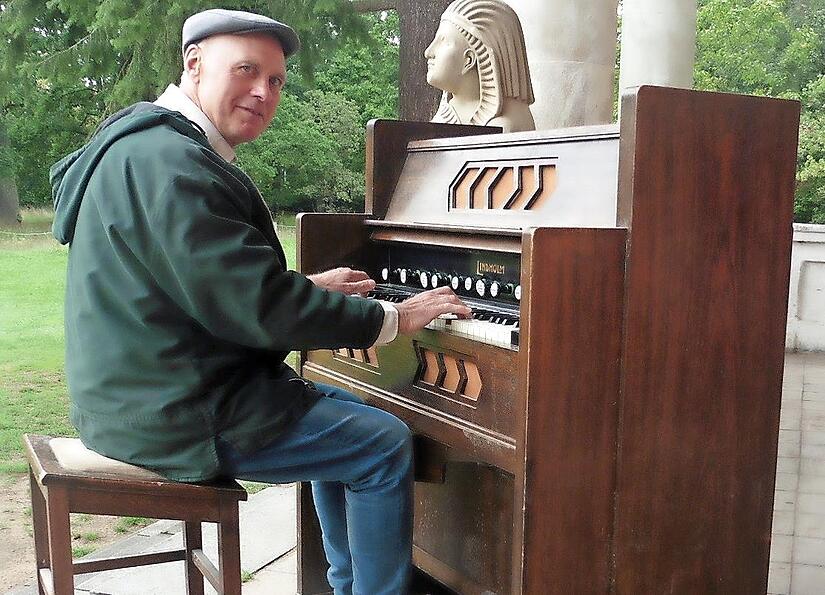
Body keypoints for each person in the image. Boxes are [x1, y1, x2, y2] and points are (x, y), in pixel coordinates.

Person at [49, 8, 471, 595]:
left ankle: (350, 585)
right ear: (193, 65)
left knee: (343, 417)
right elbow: (257, 308)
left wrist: (308, 290)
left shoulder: (149, 149)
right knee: (381, 446)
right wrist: (394, 316)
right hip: (175, 412)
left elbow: (208, 287)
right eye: (246, 71)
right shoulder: (170, 164)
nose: (262, 92)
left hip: (142, 392)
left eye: (275, 80)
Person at [425, 0, 536, 133]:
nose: (428, 52)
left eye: (443, 42)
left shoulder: (507, 126)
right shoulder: (439, 122)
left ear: (469, 60)